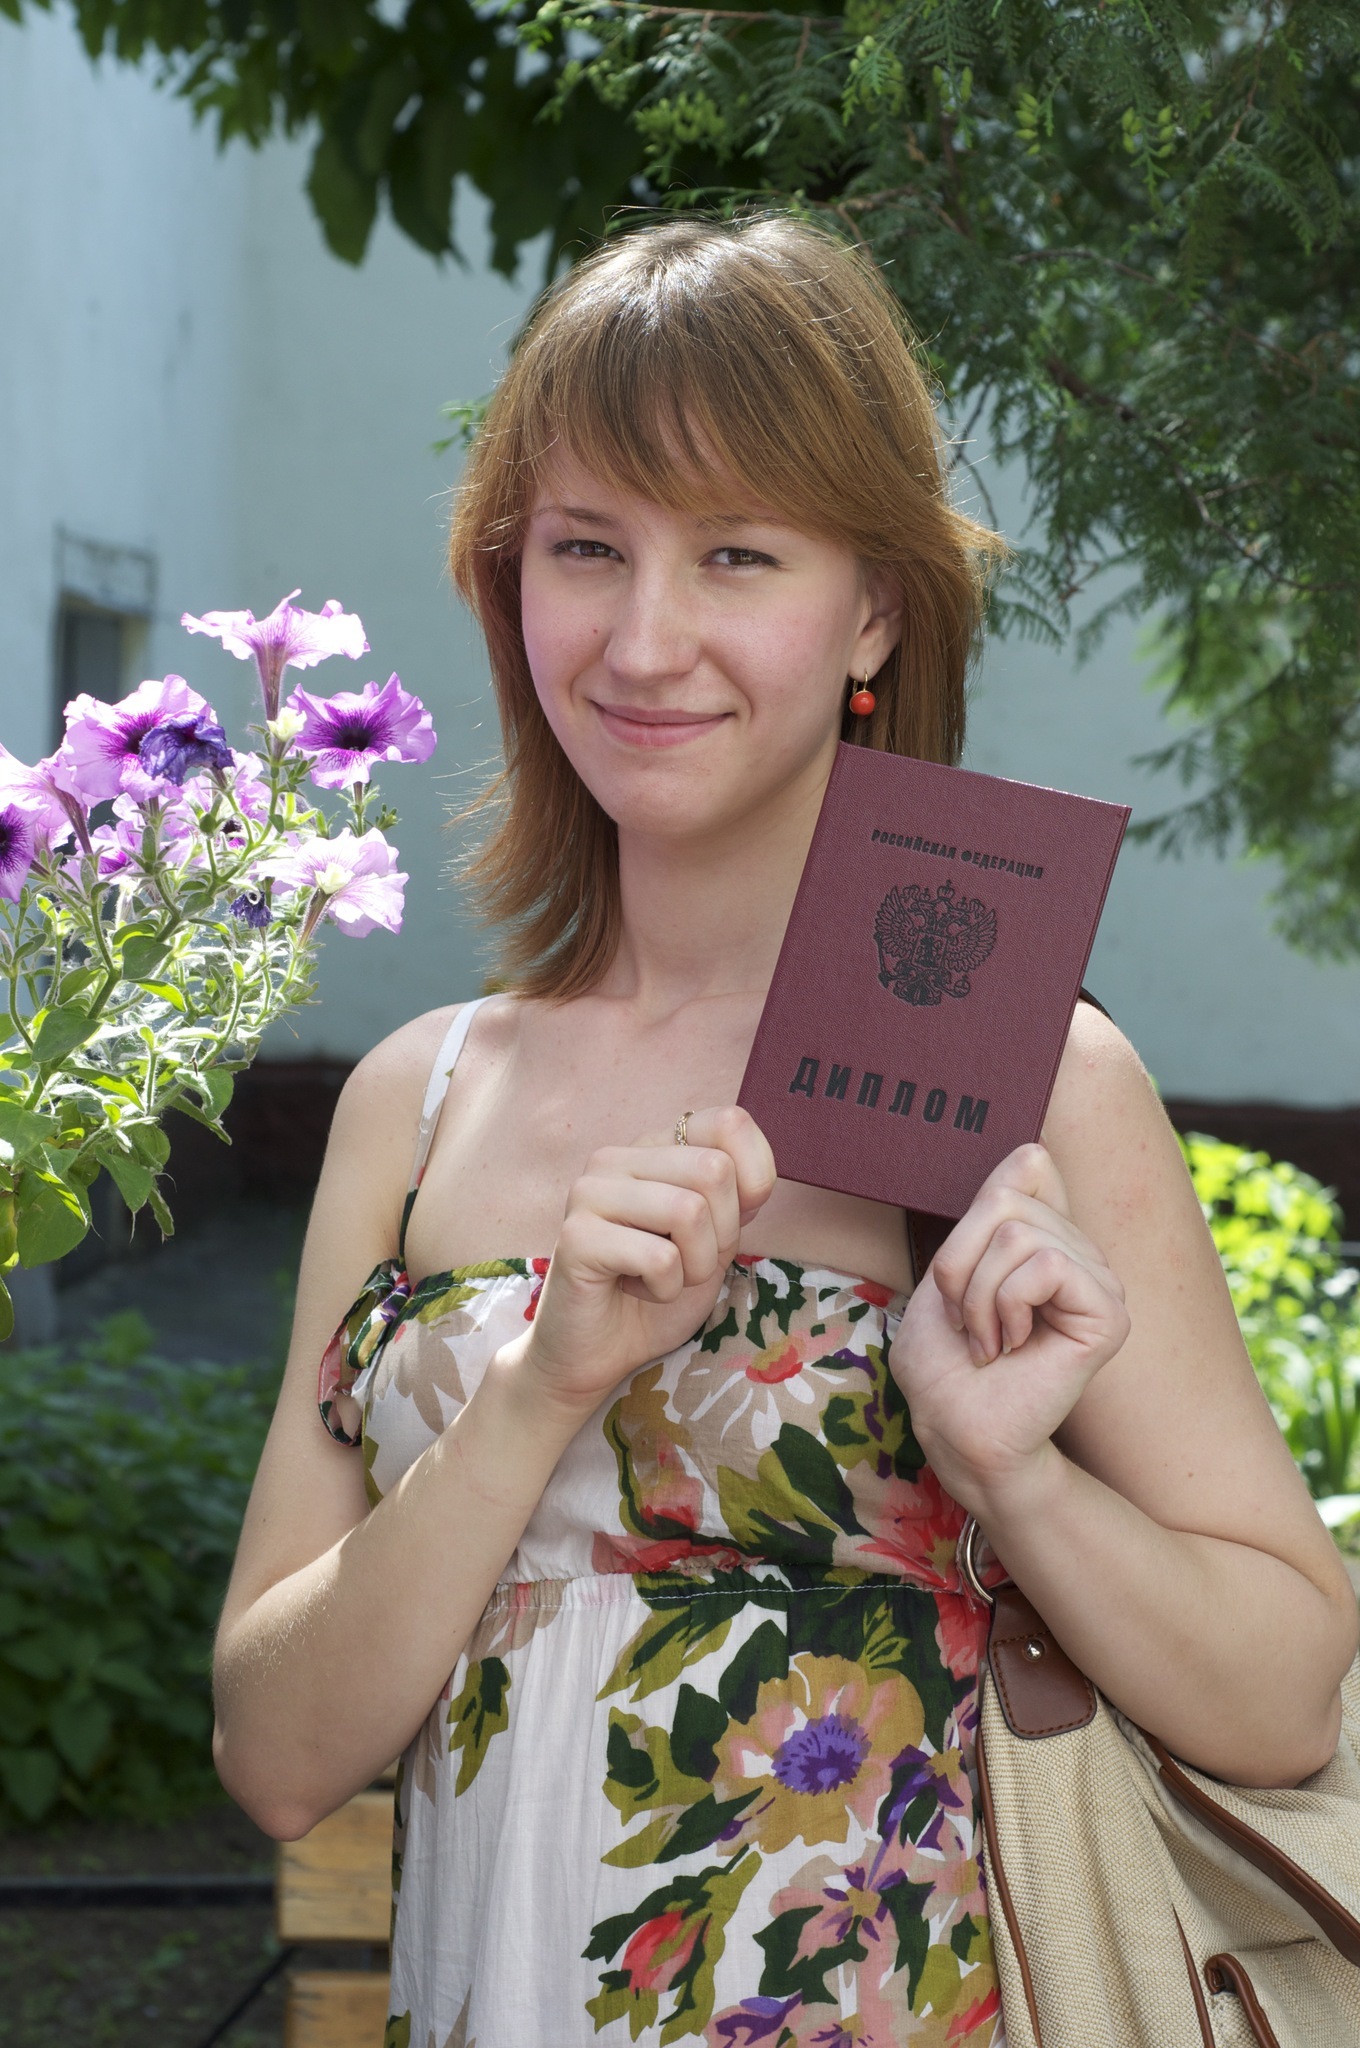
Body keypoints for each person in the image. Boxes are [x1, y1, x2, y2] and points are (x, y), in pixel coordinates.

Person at [212, 217, 1357, 2047]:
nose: (645, 640)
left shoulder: (1030, 1080)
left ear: (876, 610)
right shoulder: (413, 1103)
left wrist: (1015, 1475)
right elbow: (276, 1758)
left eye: (736, 554)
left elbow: (1286, 1699)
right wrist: (537, 1389)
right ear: (512, 578)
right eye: (587, 547)